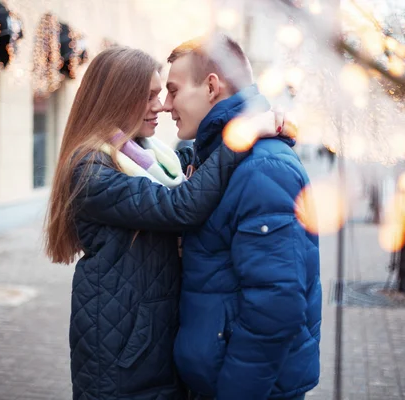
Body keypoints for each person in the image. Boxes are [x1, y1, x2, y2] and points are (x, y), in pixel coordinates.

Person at [44, 46, 281, 400]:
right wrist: (239, 137)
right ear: (118, 98)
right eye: (150, 96)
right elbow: (180, 205)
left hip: (146, 343)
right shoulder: (91, 169)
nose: (161, 106)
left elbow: (183, 170)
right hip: (121, 354)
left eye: (164, 93)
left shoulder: (146, 155)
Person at [163, 34, 322, 400]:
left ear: (212, 87)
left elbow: (276, 306)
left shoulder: (262, 168)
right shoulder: (219, 158)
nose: (166, 104)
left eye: (173, 90)